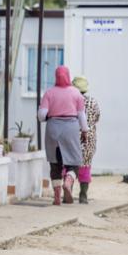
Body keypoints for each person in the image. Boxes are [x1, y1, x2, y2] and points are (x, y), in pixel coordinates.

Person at [38, 66, 89, 205]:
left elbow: (41, 116)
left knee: (55, 164)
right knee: (75, 162)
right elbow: (81, 116)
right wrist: (84, 131)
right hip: (71, 129)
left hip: (53, 128)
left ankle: (56, 196)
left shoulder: (49, 93)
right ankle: (68, 180)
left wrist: (51, 116)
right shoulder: (76, 94)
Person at [72, 76, 101, 204]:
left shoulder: (71, 101)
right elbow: (97, 118)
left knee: (70, 165)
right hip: (88, 139)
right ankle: (83, 195)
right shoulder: (93, 102)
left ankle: (67, 192)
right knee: (86, 165)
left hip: (72, 138)